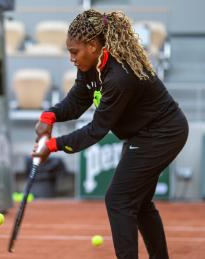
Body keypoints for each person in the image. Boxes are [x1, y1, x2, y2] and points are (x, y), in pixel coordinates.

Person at [33, 9, 188, 259]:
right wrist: (49, 116)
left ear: (93, 46)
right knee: (139, 205)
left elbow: (96, 130)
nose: (71, 58)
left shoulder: (119, 77)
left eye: (75, 51)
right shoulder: (90, 65)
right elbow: (76, 102)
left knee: (118, 200)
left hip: (163, 133)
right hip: (143, 134)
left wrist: (52, 145)